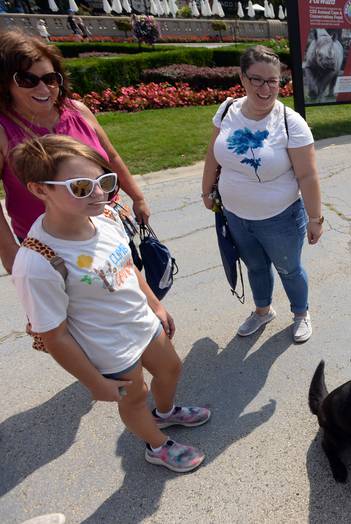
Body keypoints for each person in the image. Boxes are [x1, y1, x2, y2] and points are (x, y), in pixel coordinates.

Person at [11, 135, 210, 473]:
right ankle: (157, 446)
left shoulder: (105, 216)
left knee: (171, 369)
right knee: (134, 398)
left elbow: (128, 266)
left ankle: (164, 414)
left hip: (140, 322)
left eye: (103, 181)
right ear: (40, 190)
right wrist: (95, 382)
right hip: (108, 346)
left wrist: (155, 305)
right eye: (81, 187)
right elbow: (55, 336)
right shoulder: (37, 264)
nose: (100, 193)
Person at [0, 30, 150, 274]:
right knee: (66, 308)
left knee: (122, 288)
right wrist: (9, 251)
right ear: (6, 83)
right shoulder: (4, 129)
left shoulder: (78, 110)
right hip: (48, 244)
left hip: (105, 225)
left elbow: (110, 157)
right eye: (28, 80)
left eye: (50, 78)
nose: (44, 88)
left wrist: (138, 197)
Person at [201, 45, 323, 343]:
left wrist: (315, 218)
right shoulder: (228, 109)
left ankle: (300, 312)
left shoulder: (289, 122)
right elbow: (212, 155)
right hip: (236, 214)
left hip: (280, 217)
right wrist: (206, 190)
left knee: (289, 269)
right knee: (255, 266)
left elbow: (307, 175)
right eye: (257, 79)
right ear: (242, 78)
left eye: (273, 81)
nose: (265, 88)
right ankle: (263, 310)